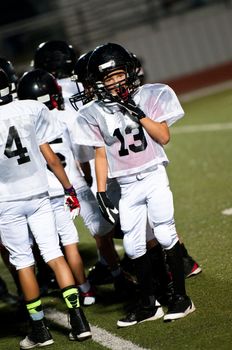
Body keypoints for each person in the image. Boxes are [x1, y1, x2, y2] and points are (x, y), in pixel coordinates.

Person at [71, 43, 196, 326]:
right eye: (108, 77)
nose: (116, 81)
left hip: (152, 175)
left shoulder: (151, 95)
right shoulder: (93, 112)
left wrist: (136, 111)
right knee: (133, 243)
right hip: (126, 185)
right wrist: (101, 190)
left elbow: (163, 137)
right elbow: (101, 154)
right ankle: (148, 304)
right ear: (98, 83)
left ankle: (181, 298)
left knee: (164, 234)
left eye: (118, 74)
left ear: (129, 72)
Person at [32, 43, 136, 298]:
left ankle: (82, 290)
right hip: (79, 180)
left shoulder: (27, 119)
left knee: (62, 246)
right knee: (104, 233)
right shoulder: (67, 114)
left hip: (45, 190)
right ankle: (116, 272)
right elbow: (83, 153)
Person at [0, 68, 91, 348]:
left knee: (23, 262)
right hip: (39, 193)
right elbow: (50, 156)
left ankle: (39, 329)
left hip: (6, 201)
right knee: (54, 254)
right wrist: (68, 188)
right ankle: (79, 320)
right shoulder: (29, 108)